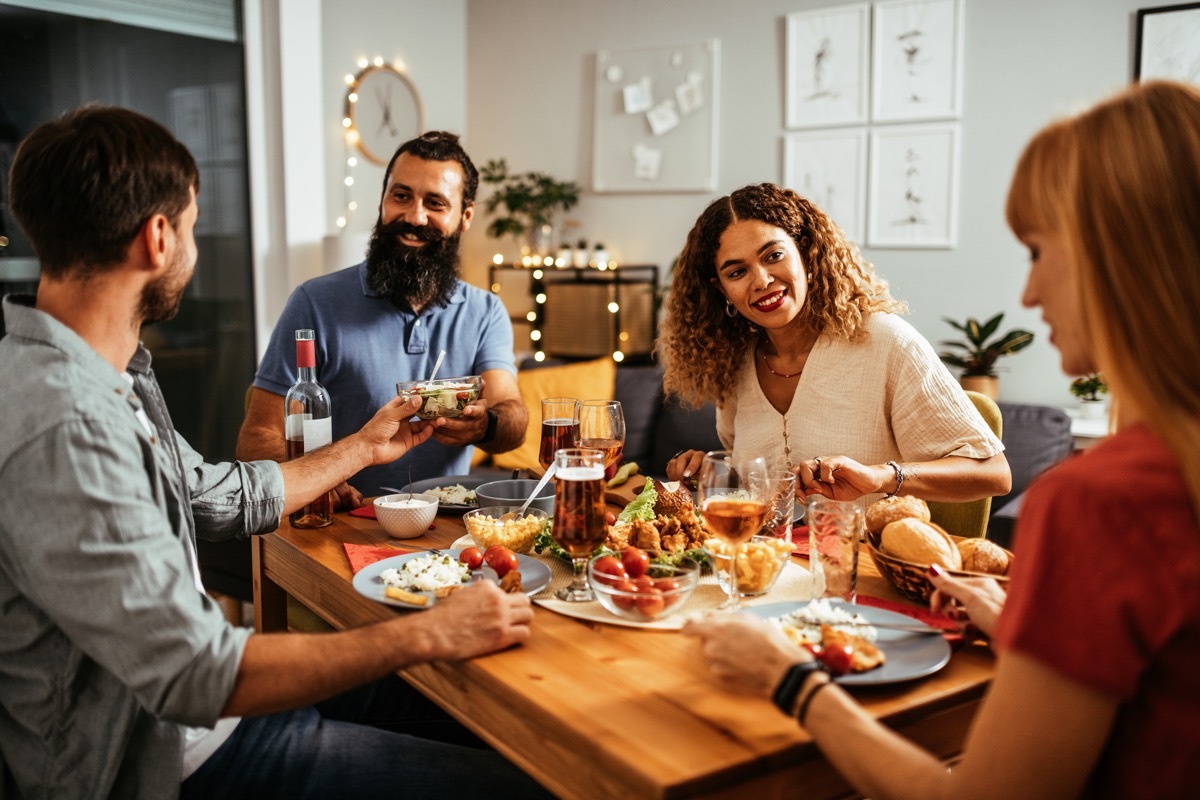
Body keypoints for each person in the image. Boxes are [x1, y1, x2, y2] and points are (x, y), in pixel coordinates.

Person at [0, 106, 549, 800]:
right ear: (159, 238)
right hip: (180, 753)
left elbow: (207, 492)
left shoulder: (97, 378)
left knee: (494, 724)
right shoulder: (67, 422)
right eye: (195, 227)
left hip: (207, 709)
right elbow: (196, 672)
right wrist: (429, 634)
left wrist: (360, 447)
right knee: (522, 783)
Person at [682, 79, 1200, 798]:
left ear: (1122, 259)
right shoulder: (734, 368)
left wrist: (791, 682)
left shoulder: (1100, 503)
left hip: (845, 629)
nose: (1027, 294)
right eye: (735, 271)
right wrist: (1026, 617)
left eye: (1038, 250)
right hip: (791, 593)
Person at [659, 182, 1010, 505]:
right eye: (737, 272)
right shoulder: (733, 362)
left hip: (860, 561)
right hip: (767, 564)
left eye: (773, 256)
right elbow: (758, 486)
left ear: (806, 253)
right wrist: (713, 473)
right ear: (721, 289)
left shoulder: (885, 341)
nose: (762, 280)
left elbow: (993, 473)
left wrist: (879, 477)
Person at [237, 131, 527, 504]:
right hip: (340, 523)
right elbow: (255, 440)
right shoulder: (314, 302)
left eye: (435, 203)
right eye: (401, 195)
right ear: (383, 199)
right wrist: (317, 480)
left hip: (447, 530)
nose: (413, 216)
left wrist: (485, 424)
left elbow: (513, 419)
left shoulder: (485, 312)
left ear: (465, 216)